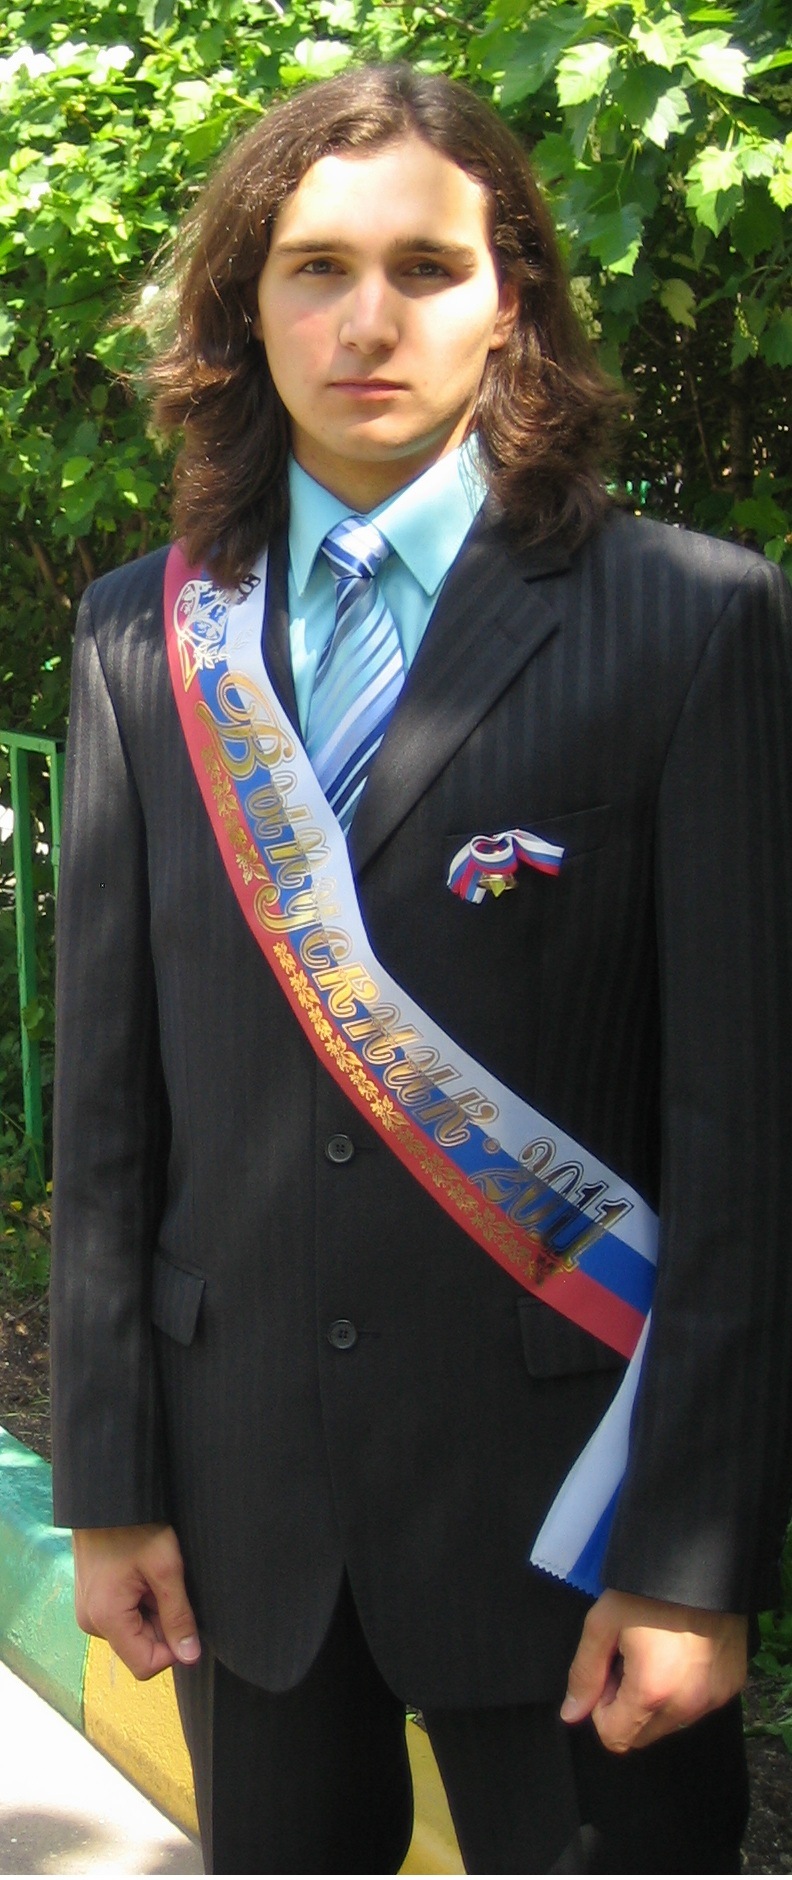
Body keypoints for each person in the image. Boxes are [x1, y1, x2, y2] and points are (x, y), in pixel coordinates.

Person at [49, 61, 792, 1876]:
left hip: (575, 1516)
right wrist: (111, 1487)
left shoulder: (692, 619)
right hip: (241, 1515)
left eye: (427, 267)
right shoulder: (143, 635)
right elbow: (109, 1110)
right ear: (246, 306)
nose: (367, 321)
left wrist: (693, 1559)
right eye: (315, 267)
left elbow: (746, 1136)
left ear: (510, 297)